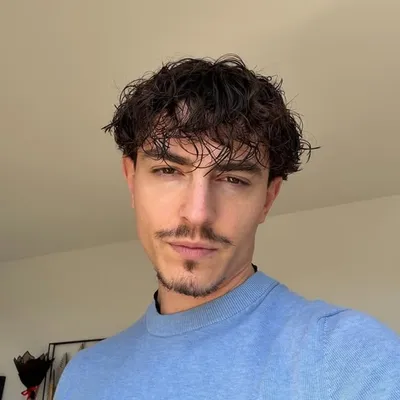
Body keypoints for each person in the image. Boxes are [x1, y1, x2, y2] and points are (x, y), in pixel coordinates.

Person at [55, 55, 400, 400]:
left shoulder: (351, 359)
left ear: (268, 198)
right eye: (168, 171)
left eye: (233, 179)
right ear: (132, 181)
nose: (198, 214)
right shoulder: (83, 377)